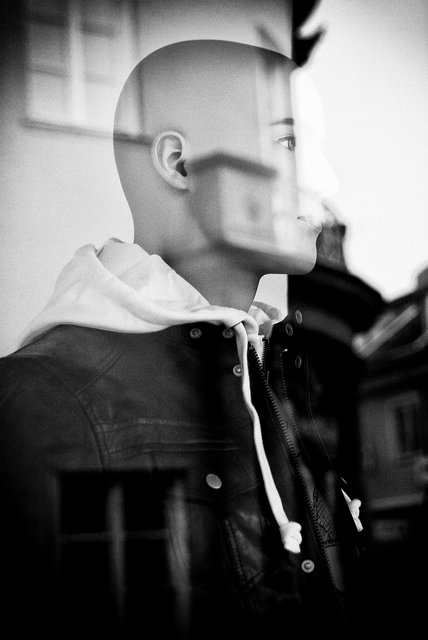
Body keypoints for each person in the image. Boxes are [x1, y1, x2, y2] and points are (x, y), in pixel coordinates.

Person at [0, 22, 371, 640]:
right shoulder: (43, 400)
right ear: (180, 163)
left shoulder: (266, 375)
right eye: (288, 142)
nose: (325, 183)